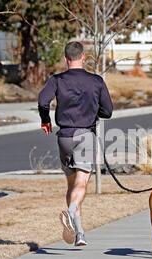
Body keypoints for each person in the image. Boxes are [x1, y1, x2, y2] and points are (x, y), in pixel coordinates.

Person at [37, 41, 113, 246]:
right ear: (83, 57)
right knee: (81, 184)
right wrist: (93, 112)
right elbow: (108, 111)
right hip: (85, 136)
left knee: (71, 186)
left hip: (64, 138)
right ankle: (71, 213)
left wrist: (45, 121)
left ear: (65, 59)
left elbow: (43, 101)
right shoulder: (96, 81)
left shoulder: (56, 80)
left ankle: (79, 233)